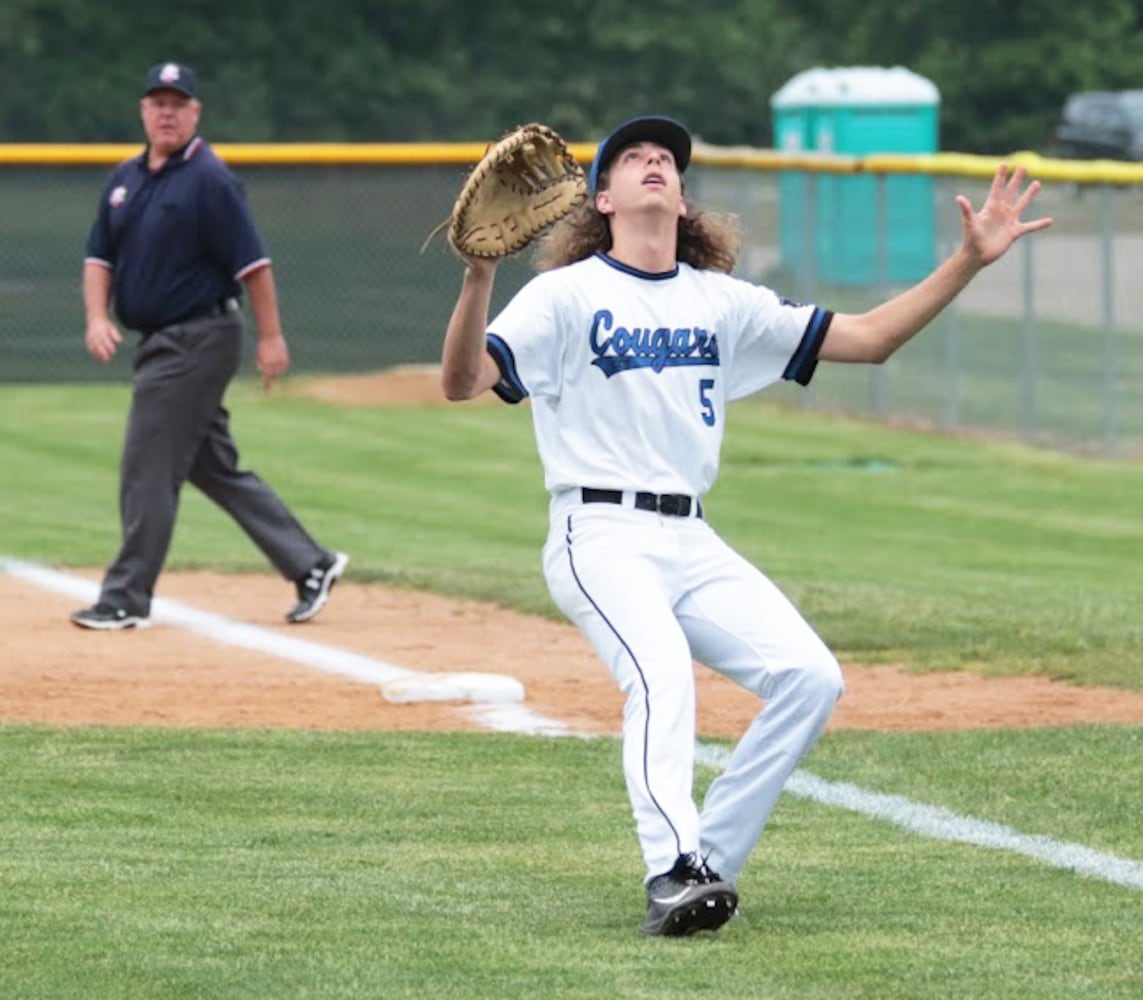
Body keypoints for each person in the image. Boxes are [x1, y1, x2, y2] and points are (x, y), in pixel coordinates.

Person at [439, 115, 1053, 936]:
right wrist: (478, 279)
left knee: (809, 677)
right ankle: (669, 869)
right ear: (604, 200)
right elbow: (461, 380)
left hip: (691, 539)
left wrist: (967, 263)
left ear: (684, 199)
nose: (655, 164)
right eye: (633, 158)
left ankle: (707, 863)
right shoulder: (566, 293)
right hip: (599, 532)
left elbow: (867, 341)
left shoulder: (720, 301)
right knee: (660, 674)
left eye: (667, 159)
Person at [70, 62, 348, 631]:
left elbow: (255, 266)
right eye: (157, 101)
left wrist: (271, 337)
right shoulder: (125, 179)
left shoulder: (210, 179)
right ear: (143, 110)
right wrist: (97, 316)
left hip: (198, 337)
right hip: (162, 341)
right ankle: (310, 562)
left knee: (147, 464)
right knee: (211, 465)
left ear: (195, 113)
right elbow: (98, 258)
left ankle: (126, 597)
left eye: (178, 102)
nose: (166, 111)